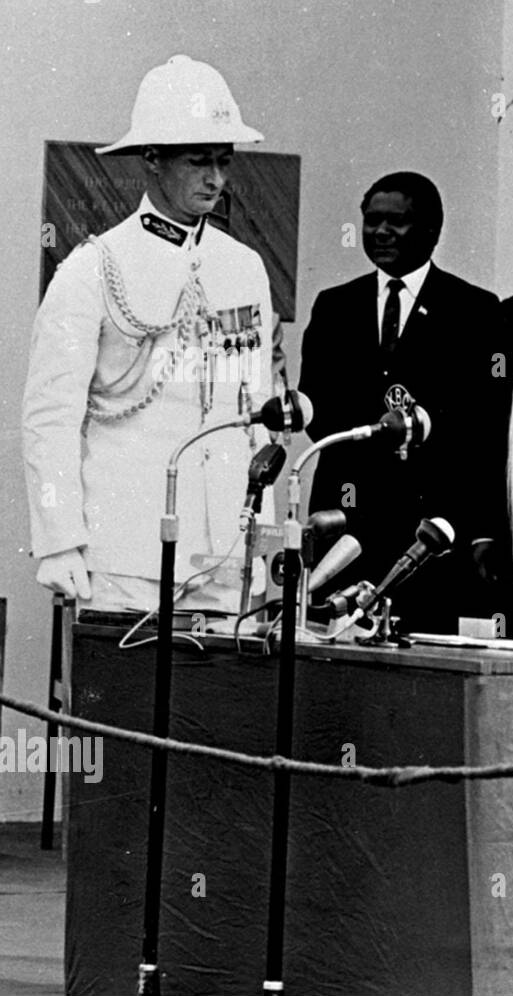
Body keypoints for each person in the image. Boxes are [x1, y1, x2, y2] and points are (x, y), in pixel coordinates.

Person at [23, 55, 275, 614]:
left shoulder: (243, 268)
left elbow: (258, 413)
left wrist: (263, 535)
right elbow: (50, 417)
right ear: (153, 160)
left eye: (223, 161)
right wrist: (59, 537)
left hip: (225, 549)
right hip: (126, 549)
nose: (216, 179)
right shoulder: (93, 269)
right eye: (198, 161)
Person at [298, 172, 507, 632]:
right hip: (347, 516)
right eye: (372, 221)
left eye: (397, 222)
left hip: (428, 523)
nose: (381, 233)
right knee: (335, 644)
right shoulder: (334, 306)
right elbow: (317, 406)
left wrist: (483, 528)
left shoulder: (475, 310)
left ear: (432, 231)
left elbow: (485, 424)